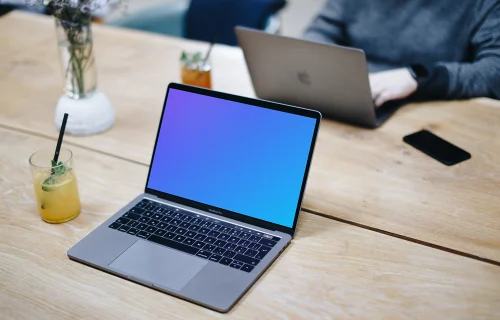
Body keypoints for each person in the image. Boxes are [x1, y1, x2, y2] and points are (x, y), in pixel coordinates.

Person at [303, 0, 500, 107]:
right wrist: (342, 74)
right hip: (351, 96)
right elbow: (320, 31)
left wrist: (418, 77)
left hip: (429, 102)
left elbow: (494, 71)